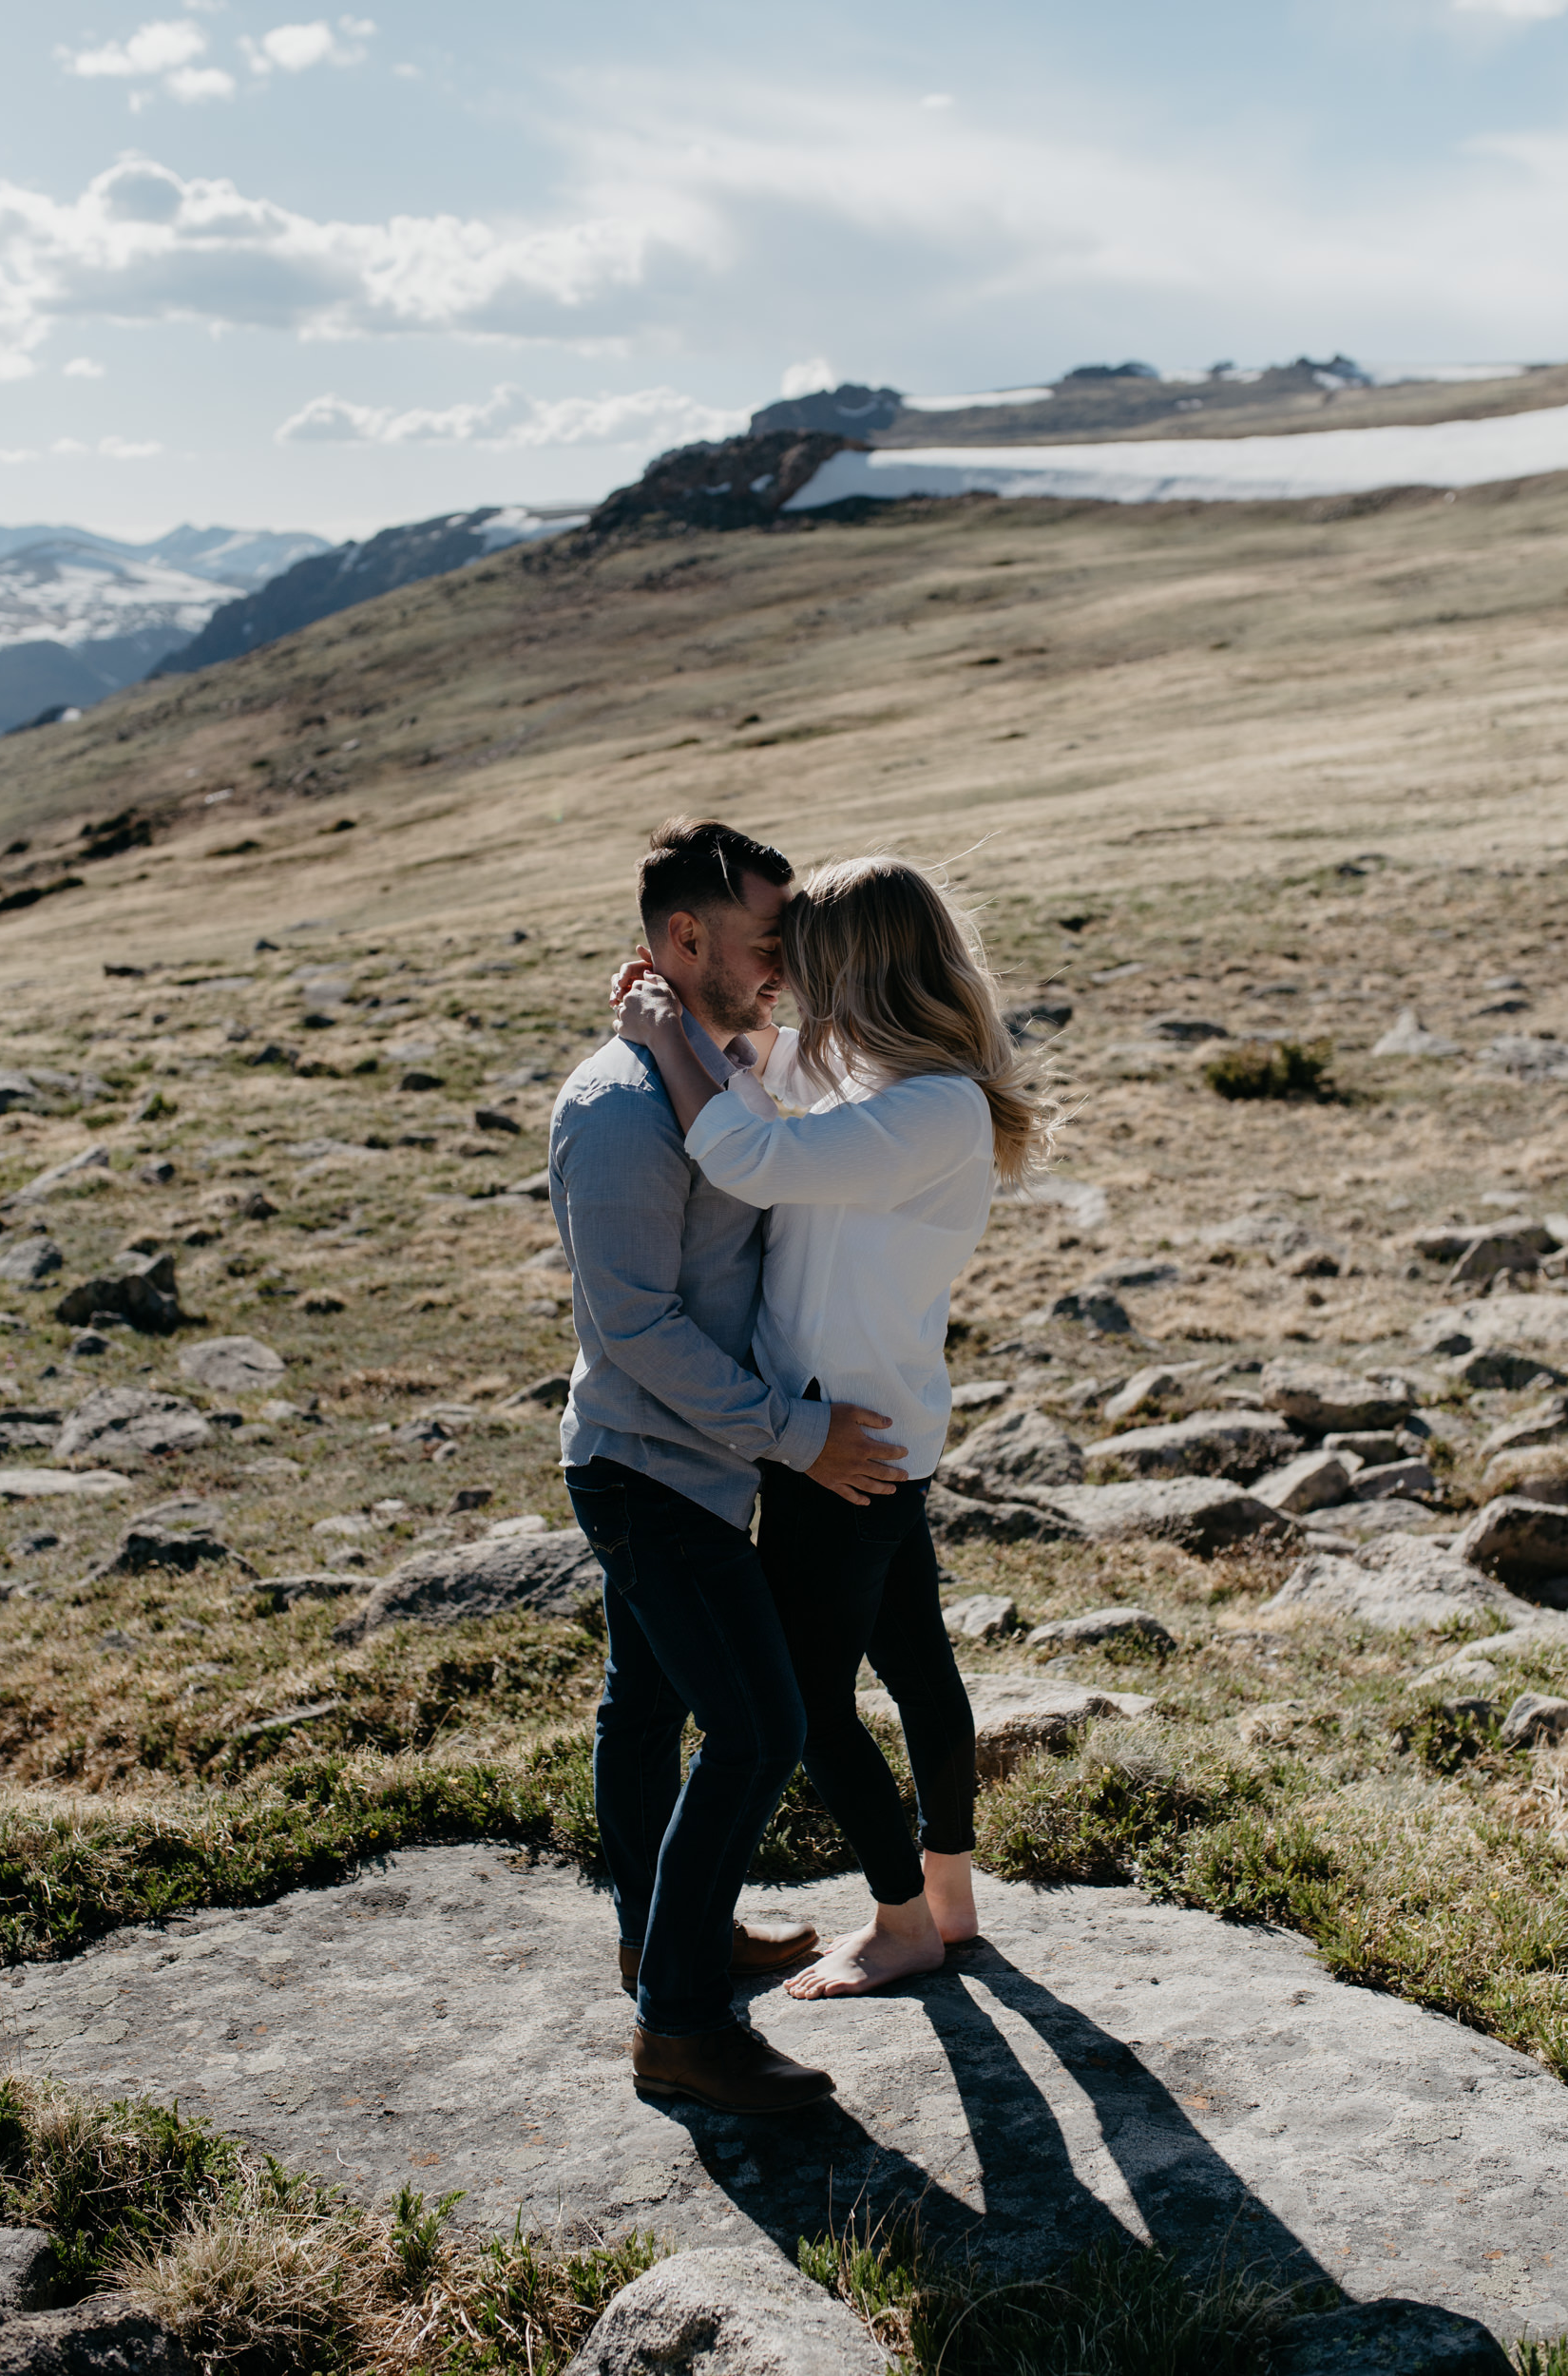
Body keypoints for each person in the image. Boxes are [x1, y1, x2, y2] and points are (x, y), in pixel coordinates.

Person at [614, 853, 1047, 1999]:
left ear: (853, 967)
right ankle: (948, 1900)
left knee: (806, 1700)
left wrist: (665, 1040)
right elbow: (756, 1066)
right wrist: (687, 1008)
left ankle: (901, 1921)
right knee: (912, 1659)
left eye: (799, 963)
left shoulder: (929, 1105)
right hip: (874, 1423)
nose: (784, 980)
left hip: (839, 1441)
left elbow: (750, 1153)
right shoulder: (871, 1069)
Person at [549, 817, 909, 2112]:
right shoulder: (619, 1108)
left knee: (645, 1713)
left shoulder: (716, 1065)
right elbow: (631, 1330)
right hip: (649, 1472)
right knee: (756, 1732)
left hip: (696, 1468)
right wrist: (800, 1436)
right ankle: (683, 2028)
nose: (786, 968)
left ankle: (663, 1942)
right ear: (684, 937)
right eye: (768, 944)